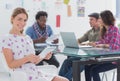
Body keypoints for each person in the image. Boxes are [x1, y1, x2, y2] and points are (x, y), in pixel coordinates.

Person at [1, 7, 68, 81]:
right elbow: (11, 65)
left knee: (64, 80)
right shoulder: (6, 39)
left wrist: (43, 56)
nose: (22, 23)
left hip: (36, 73)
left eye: (25, 20)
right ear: (12, 18)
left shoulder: (27, 38)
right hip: (24, 76)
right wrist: (27, 58)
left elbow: (34, 61)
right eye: (19, 19)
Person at [59, 12, 100, 81]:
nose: (89, 21)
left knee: (78, 64)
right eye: (89, 20)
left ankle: (64, 79)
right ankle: (59, 78)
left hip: (95, 57)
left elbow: (97, 44)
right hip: (87, 56)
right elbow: (79, 40)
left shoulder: (102, 31)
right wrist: (74, 42)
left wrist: (87, 44)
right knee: (67, 61)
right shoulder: (90, 31)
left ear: (98, 20)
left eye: (91, 20)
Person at [85, 10, 120, 81]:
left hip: (114, 59)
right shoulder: (104, 30)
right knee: (87, 66)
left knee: (94, 70)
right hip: (105, 58)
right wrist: (95, 44)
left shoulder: (115, 29)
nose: (99, 20)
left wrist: (102, 45)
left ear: (105, 18)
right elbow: (101, 42)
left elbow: (114, 47)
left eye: (100, 18)